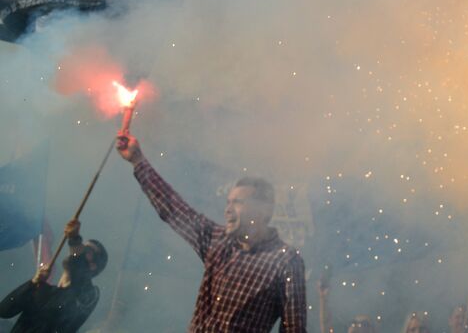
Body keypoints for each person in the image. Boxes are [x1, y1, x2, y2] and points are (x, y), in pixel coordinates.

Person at [116, 133, 306, 332]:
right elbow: (173, 207)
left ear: (264, 210)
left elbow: (294, 328)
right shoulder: (218, 240)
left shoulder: (285, 261)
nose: (228, 210)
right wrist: (138, 161)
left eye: (238, 203)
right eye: (228, 202)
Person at [0, 219, 105, 333]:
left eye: (87, 250)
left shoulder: (89, 295)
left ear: (93, 266)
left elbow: (79, 280)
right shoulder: (44, 289)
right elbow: (4, 311)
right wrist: (32, 283)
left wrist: (75, 239)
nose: (81, 249)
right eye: (81, 246)